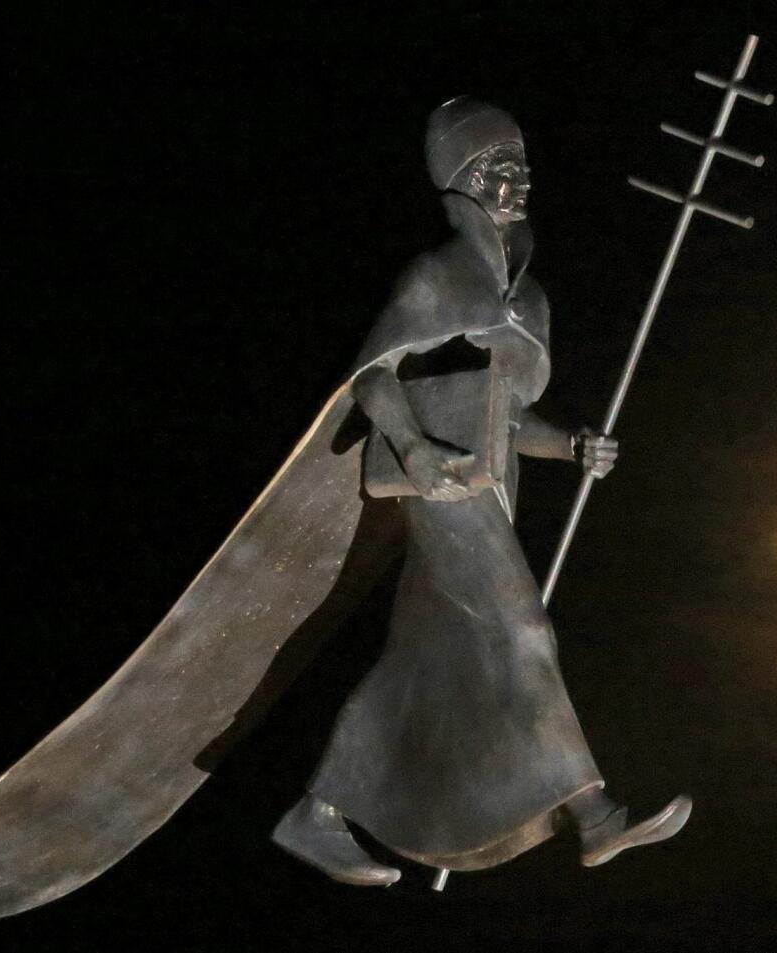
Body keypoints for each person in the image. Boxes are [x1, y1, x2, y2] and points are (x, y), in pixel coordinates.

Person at [268, 96, 691, 886]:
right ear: (460, 182)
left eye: (522, 165)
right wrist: (417, 448)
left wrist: (568, 444)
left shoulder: (525, 298)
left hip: (490, 482)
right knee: (523, 631)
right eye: (497, 168)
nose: (517, 180)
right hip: (440, 487)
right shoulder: (439, 274)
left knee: (420, 653)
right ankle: (593, 811)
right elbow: (373, 374)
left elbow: (505, 417)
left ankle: (317, 813)